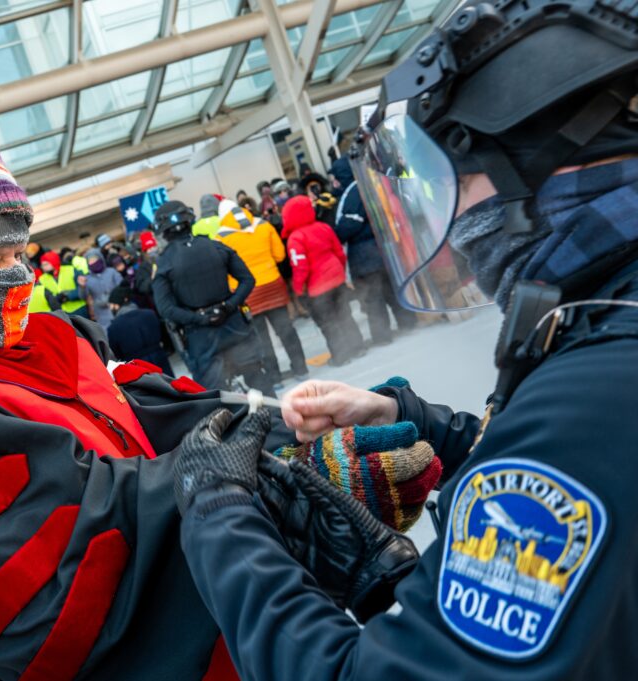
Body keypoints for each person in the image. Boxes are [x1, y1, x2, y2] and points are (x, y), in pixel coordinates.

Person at [173, 1, 638, 677]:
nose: (456, 222)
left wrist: (220, 522)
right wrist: (412, 424)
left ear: (543, 162)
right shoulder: (604, 312)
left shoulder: (595, 393)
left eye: (458, 181)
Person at [0, 124, 302, 681]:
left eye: (18, 253)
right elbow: (37, 610)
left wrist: (288, 430)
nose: (15, 276)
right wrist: (218, 479)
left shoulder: (60, 337)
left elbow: (155, 414)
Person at [152, 200, 273, 392]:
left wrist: (199, 318)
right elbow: (247, 280)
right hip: (234, 326)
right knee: (260, 383)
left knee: (217, 398)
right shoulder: (216, 246)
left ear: (163, 231)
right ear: (189, 220)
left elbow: (165, 309)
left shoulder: (164, 263)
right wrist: (229, 306)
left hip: (201, 338)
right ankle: (274, 411)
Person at [331, 155, 418, 345]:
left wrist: (335, 235)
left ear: (343, 174)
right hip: (383, 249)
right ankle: (408, 323)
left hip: (364, 254)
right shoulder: (370, 183)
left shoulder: (354, 191)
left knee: (372, 298)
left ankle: (382, 336)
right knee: (392, 290)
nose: (334, 182)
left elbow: (349, 225)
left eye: (336, 177)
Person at [217, 200, 308, 381]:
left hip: (248, 293)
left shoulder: (221, 237)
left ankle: (274, 377)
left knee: (261, 337)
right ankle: (301, 369)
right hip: (273, 285)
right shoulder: (263, 225)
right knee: (286, 329)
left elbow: (223, 270)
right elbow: (280, 255)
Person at [283, 195, 365, 366]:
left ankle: (341, 356)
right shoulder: (324, 227)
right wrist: (341, 274)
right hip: (336, 278)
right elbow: (339, 252)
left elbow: (300, 267)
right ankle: (358, 347)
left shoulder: (295, 238)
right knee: (345, 315)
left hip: (318, 287)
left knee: (328, 323)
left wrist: (299, 289)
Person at [107, 285, 173, 374]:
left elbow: (116, 354)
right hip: (159, 358)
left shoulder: (113, 327)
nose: (111, 308)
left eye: (112, 305)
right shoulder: (150, 314)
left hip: (137, 368)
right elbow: (165, 337)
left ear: (117, 304)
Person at [83, 247, 122, 329]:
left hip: (118, 310)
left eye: (95, 259)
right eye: (90, 261)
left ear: (100, 259)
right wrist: (81, 287)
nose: (93, 262)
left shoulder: (111, 271)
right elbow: (83, 296)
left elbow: (122, 286)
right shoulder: (87, 279)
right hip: (101, 315)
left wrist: (115, 298)